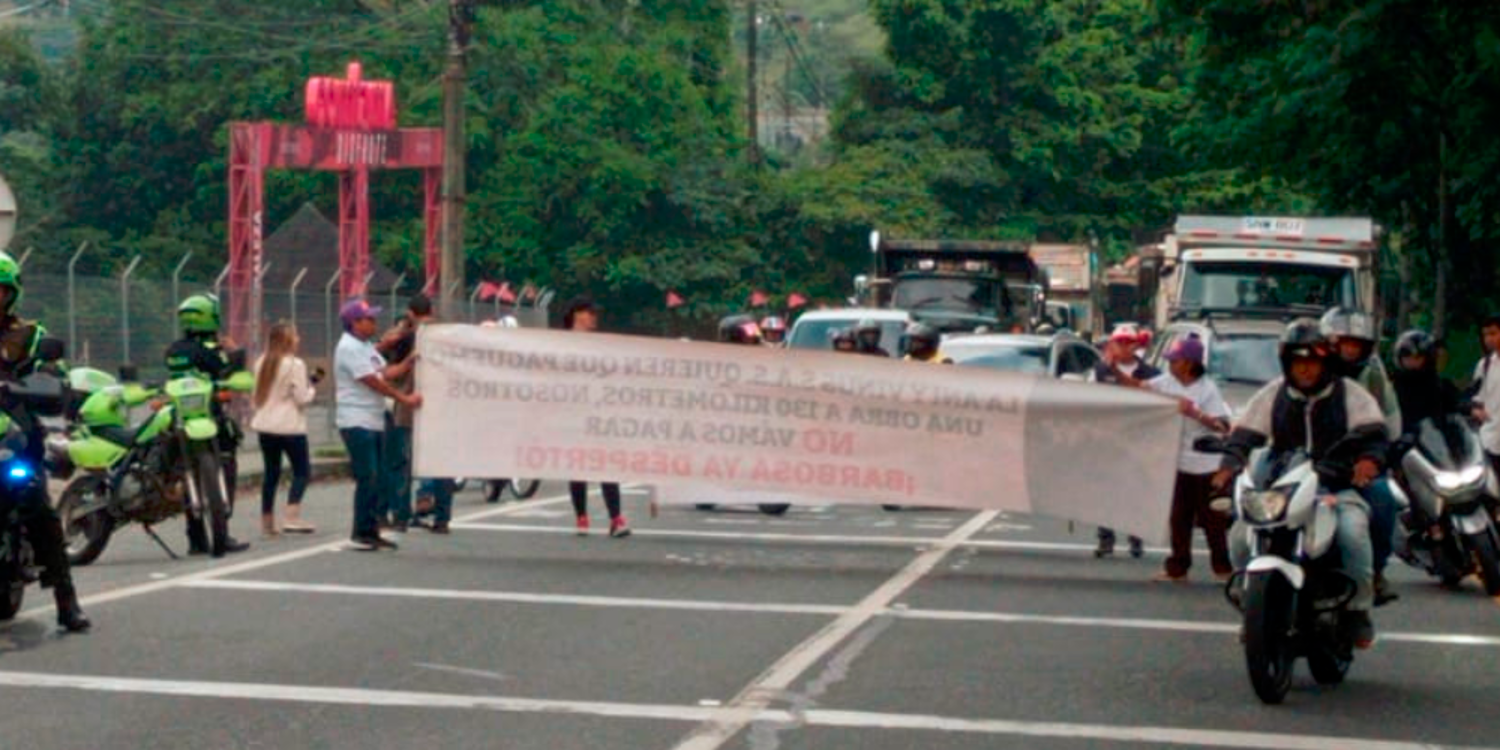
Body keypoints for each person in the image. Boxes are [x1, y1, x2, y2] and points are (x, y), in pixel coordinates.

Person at [1213, 319, 1387, 649]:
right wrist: (1228, 466)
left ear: (1326, 363)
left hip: (1335, 487)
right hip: (1280, 490)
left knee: (1352, 533)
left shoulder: (1351, 394)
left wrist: (1368, 460)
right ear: (1287, 364)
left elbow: (1374, 435)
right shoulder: (1273, 394)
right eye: (1297, 363)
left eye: (1312, 363)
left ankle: (1358, 610)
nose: (1305, 370)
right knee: (1238, 537)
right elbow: (1244, 435)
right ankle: (1251, 608)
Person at [0, 252, 89, 631]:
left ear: (12, 293)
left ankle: (66, 601)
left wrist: (50, 380)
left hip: (16, 435)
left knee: (36, 503)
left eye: (0, 290)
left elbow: (54, 376)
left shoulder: (31, 335)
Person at [1320, 307, 1403, 600]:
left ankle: (1376, 571)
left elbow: (1390, 425)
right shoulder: (1311, 372)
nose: (1350, 350)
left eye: (1357, 344)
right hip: (1311, 463)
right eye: (1345, 342)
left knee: (1383, 500)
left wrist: (1374, 457)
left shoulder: (1374, 378)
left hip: (1359, 464)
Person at [1137, 334, 1233, 581]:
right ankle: (1178, 568)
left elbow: (1223, 426)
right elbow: (1138, 389)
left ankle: (1222, 568)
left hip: (1206, 465)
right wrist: (1113, 369)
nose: (1170, 364)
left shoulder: (1207, 389)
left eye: (1175, 360)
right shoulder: (1166, 382)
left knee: (1212, 520)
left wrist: (1194, 413)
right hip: (1178, 462)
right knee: (1179, 518)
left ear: (1190, 363)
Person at [164, 292, 251, 555]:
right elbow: (229, 371)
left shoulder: (174, 350)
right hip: (209, 415)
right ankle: (222, 527)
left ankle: (196, 537)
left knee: (186, 473)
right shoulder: (211, 351)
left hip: (179, 418)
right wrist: (234, 351)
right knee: (226, 464)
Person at [335, 298, 422, 551]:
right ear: (354, 323)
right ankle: (361, 532)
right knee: (368, 476)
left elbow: (385, 372)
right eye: (368, 319)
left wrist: (408, 362)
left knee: (378, 477)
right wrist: (404, 398)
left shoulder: (366, 347)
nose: (374, 323)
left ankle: (372, 529)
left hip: (372, 420)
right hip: (356, 420)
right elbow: (374, 382)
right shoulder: (349, 347)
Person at [1089, 324, 1160, 558]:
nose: (1123, 346)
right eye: (1119, 342)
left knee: (1136, 489)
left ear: (1135, 344)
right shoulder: (1099, 371)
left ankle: (1136, 537)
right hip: (1106, 439)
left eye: (1128, 342)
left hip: (1139, 439)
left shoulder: (1151, 373)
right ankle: (1105, 538)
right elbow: (1086, 400)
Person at [562, 297, 630, 538]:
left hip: (599, 412)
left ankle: (616, 518)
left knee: (605, 462)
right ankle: (581, 515)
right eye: (589, 313)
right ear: (576, 314)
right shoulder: (559, 343)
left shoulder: (600, 344)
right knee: (578, 465)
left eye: (595, 314)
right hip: (572, 412)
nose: (594, 318)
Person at [249, 321, 321, 537]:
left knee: (271, 473)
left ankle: (267, 522)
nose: (299, 339)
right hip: (290, 427)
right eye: (295, 336)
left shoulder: (261, 362)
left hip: (265, 425)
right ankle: (292, 516)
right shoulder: (295, 364)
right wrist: (312, 388)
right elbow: (301, 398)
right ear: (287, 340)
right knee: (302, 471)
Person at [374, 294, 433, 533]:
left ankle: (398, 513)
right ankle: (435, 512)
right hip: (433, 407)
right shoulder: (443, 335)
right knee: (425, 460)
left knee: (397, 462)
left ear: (410, 313)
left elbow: (385, 370)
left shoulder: (404, 338)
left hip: (403, 406)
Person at [1471, 314, 1500, 482]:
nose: (1489, 339)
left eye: (1493, 333)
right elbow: (1477, 397)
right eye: (1485, 335)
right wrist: (1476, 411)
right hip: (1489, 438)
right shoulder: (1485, 365)